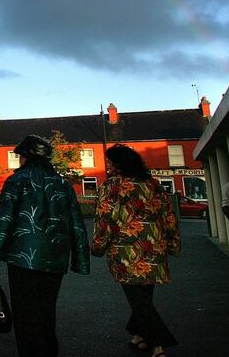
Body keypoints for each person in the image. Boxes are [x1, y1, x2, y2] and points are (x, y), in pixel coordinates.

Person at [0, 134, 90, 357]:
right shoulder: (64, 184)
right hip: (56, 259)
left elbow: (3, 219)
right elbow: (77, 225)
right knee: (46, 312)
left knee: (25, 317)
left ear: (25, 157)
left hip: (23, 258)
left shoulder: (16, 181)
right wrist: (80, 260)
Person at [92, 144, 180, 357]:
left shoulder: (113, 186)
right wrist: (172, 243)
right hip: (154, 249)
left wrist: (97, 246)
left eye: (110, 162)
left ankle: (158, 344)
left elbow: (105, 219)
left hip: (126, 253)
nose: (108, 166)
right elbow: (169, 216)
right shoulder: (153, 185)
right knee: (143, 298)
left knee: (138, 299)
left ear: (118, 164)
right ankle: (138, 335)